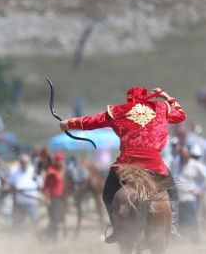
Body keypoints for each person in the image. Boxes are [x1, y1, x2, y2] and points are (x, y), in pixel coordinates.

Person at [60, 86, 186, 243]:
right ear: (146, 97)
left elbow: (93, 121)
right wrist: (167, 97)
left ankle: (116, 227)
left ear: (129, 98)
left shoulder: (118, 111)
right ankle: (172, 226)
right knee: (172, 192)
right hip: (154, 162)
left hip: (127, 163)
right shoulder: (161, 108)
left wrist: (69, 123)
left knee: (108, 193)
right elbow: (181, 115)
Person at [172, 145, 206, 243]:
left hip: (189, 198)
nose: (183, 155)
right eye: (182, 153)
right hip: (177, 198)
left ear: (189, 154)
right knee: (179, 223)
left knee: (192, 222)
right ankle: (181, 242)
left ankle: (195, 242)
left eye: (185, 153)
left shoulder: (195, 165)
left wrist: (199, 190)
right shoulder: (176, 164)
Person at [8, 154, 40, 226]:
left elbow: (40, 183)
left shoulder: (33, 171)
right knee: (18, 222)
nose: (24, 163)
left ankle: (35, 235)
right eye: (22, 162)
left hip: (31, 201)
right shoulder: (14, 171)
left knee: (35, 220)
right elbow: (11, 184)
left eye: (26, 162)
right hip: (20, 202)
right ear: (20, 162)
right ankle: (19, 235)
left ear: (29, 162)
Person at [43, 152, 66, 241]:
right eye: (59, 161)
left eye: (61, 161)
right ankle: (52, 237)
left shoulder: (61, 170)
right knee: (54, 219)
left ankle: (49, 236)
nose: (61, 163)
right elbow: (46, 186)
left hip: (59, 198)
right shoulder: (51, 171)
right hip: (53, 198)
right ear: (56, 161)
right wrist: (47, 198)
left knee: (58, 219)